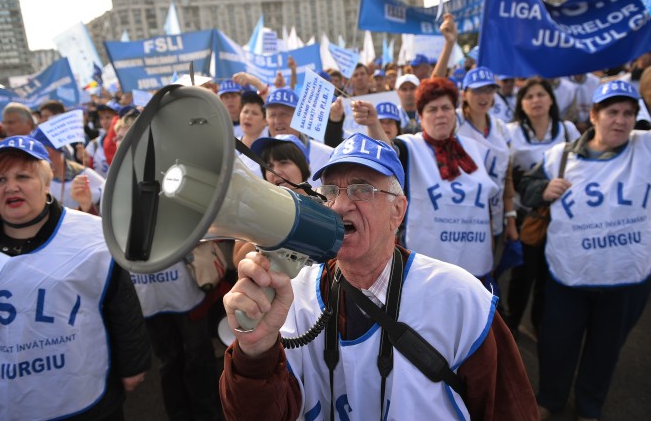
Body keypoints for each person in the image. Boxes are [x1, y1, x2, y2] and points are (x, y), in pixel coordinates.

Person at [220, 132, 538, 420]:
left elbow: (510, 408)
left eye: (362, 190)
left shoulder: (460, 298)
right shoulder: (294, 295)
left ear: (397, 211)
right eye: (329, 191)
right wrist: (256, 352)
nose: (341, 205)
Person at [0, 135, 151, 420]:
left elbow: (122, 306)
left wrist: (133, 365)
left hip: (83, 394)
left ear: (46, 183)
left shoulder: (93, 235)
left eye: (23, 176)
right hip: (3, 400)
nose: (11, 187)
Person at [517, 80, 651, 421]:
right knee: (556, 345)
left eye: (628, 113)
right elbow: (526, 187)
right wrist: (543, 189)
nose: (620, 120)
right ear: (593, 115)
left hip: (627, 279)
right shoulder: (561, 156)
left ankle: (590, 405)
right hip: (569, 276)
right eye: (612, 112)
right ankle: (550, 398)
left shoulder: (646, 148)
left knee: (605, 351)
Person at [355, 78, 499, 285]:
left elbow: (489, 205)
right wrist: (373, 124)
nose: (440, 114)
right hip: (427, 269)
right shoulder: (409, 146)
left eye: (446, 108)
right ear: (421, 117)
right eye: (432, 109)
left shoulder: (478, 150)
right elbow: (386, 155)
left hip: (475, 262)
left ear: (454, 113)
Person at [503, 78, 581, 339]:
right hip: (527, 214)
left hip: (562, 216)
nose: (535, 100)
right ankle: (512, 324)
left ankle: (539, 323)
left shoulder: (568, 130)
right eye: (529, 96)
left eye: (541, 95)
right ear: (521, 104)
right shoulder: (510, 131)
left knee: (549, 276)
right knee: (523, 275)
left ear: (551, 99)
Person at [458, 67, 518, 247]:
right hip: (461, 217)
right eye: (476, 91)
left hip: (495, 213)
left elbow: (506, 176)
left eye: (488, 90)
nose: (483, 97)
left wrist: (510, 218)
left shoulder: (501, 128)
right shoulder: (455, 123)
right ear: (464, 94)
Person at [232, 133, 312, 265]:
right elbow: (238, 260)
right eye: (269, 166)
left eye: (284, 163)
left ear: (303, 166)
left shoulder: (326, 204)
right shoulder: (254, 207)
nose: (276, 171)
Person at [263, 87, 332, 187]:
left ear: (299, 118)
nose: (277, 121)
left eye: (284, 114)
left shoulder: (327, 156)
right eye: (272, 115)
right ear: (266, 120)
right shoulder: (255, 161)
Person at [29, 128, 105, 210]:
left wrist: (86, 206)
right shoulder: (35, 177)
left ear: (48, 151)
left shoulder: (83, 175)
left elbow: (105, 205)